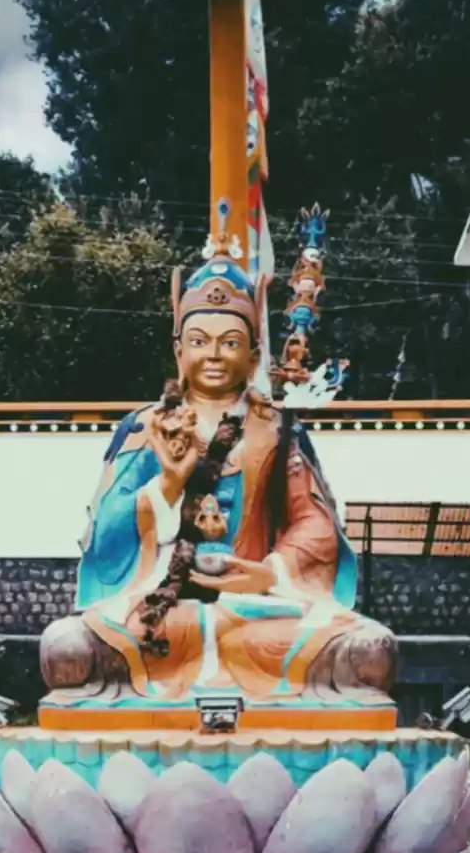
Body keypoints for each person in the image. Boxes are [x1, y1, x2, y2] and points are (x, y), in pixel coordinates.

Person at [39, 248, 396, 728]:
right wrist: (167, 481)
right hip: (161, 610)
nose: (212, 355)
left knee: (369, 652)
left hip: (260, 613)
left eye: (229, 343)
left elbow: (314, 524)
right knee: (67, 650)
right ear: (178, 350)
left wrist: (267, 573)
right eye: (199, 341)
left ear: (252, 357)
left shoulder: (277, 430)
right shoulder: (146, 427)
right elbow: (104, 531)